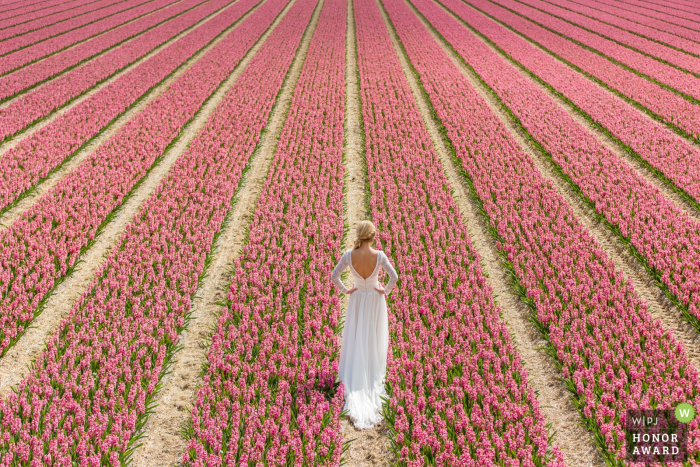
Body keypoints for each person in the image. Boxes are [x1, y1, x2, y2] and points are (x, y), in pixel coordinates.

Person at [331, 220, 398, 429]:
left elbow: (334, 276)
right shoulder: (379, 256)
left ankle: (357, 371)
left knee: (356, 334)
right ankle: (371, 369)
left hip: (358, 298)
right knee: (373, 336)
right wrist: (384, 291)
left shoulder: (349, 255)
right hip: (375, 300)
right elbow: (394, 277)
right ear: (373, 235)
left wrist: (346, 290)